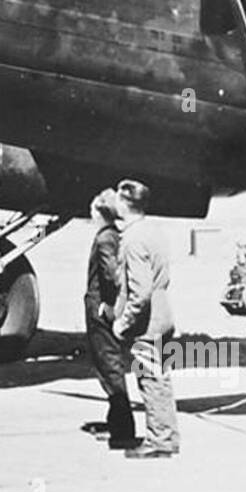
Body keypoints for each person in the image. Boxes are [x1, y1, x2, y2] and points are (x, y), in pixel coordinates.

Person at [111, 179, 179, 459]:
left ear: (124, 203)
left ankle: (158, 442)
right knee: (160, 380)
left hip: (147, 320)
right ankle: (166, 437)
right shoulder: (153, 231)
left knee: (151, 381)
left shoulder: (133, 239)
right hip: (162, 312)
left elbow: (139, 292)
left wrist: (122, 323)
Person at [81, 188, 140, 449]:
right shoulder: (115, 234)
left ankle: (124, 430)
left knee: (109, 365)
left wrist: (108, 305)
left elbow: (112, 275)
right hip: (103, 307)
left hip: (100, 310)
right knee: (108, 365)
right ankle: (115, 421)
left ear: (99, 213)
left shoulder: (105, 238)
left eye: (93, 211)